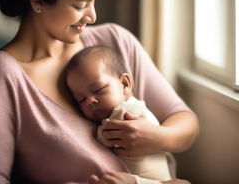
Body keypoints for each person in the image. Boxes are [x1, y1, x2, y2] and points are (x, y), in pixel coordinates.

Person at [0, 0, 199, 184]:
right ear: (38, 3)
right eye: (80, 5)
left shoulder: (114, 41)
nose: (92, 16)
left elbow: (185, 121)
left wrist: (155, 137)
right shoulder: (4, 73)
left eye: (93, 2)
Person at [66, 45, 172, 183]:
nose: (90, 101)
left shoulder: (128, 111)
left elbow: (103, 138)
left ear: (125, 84)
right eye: (81, 99)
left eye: (98, 89)